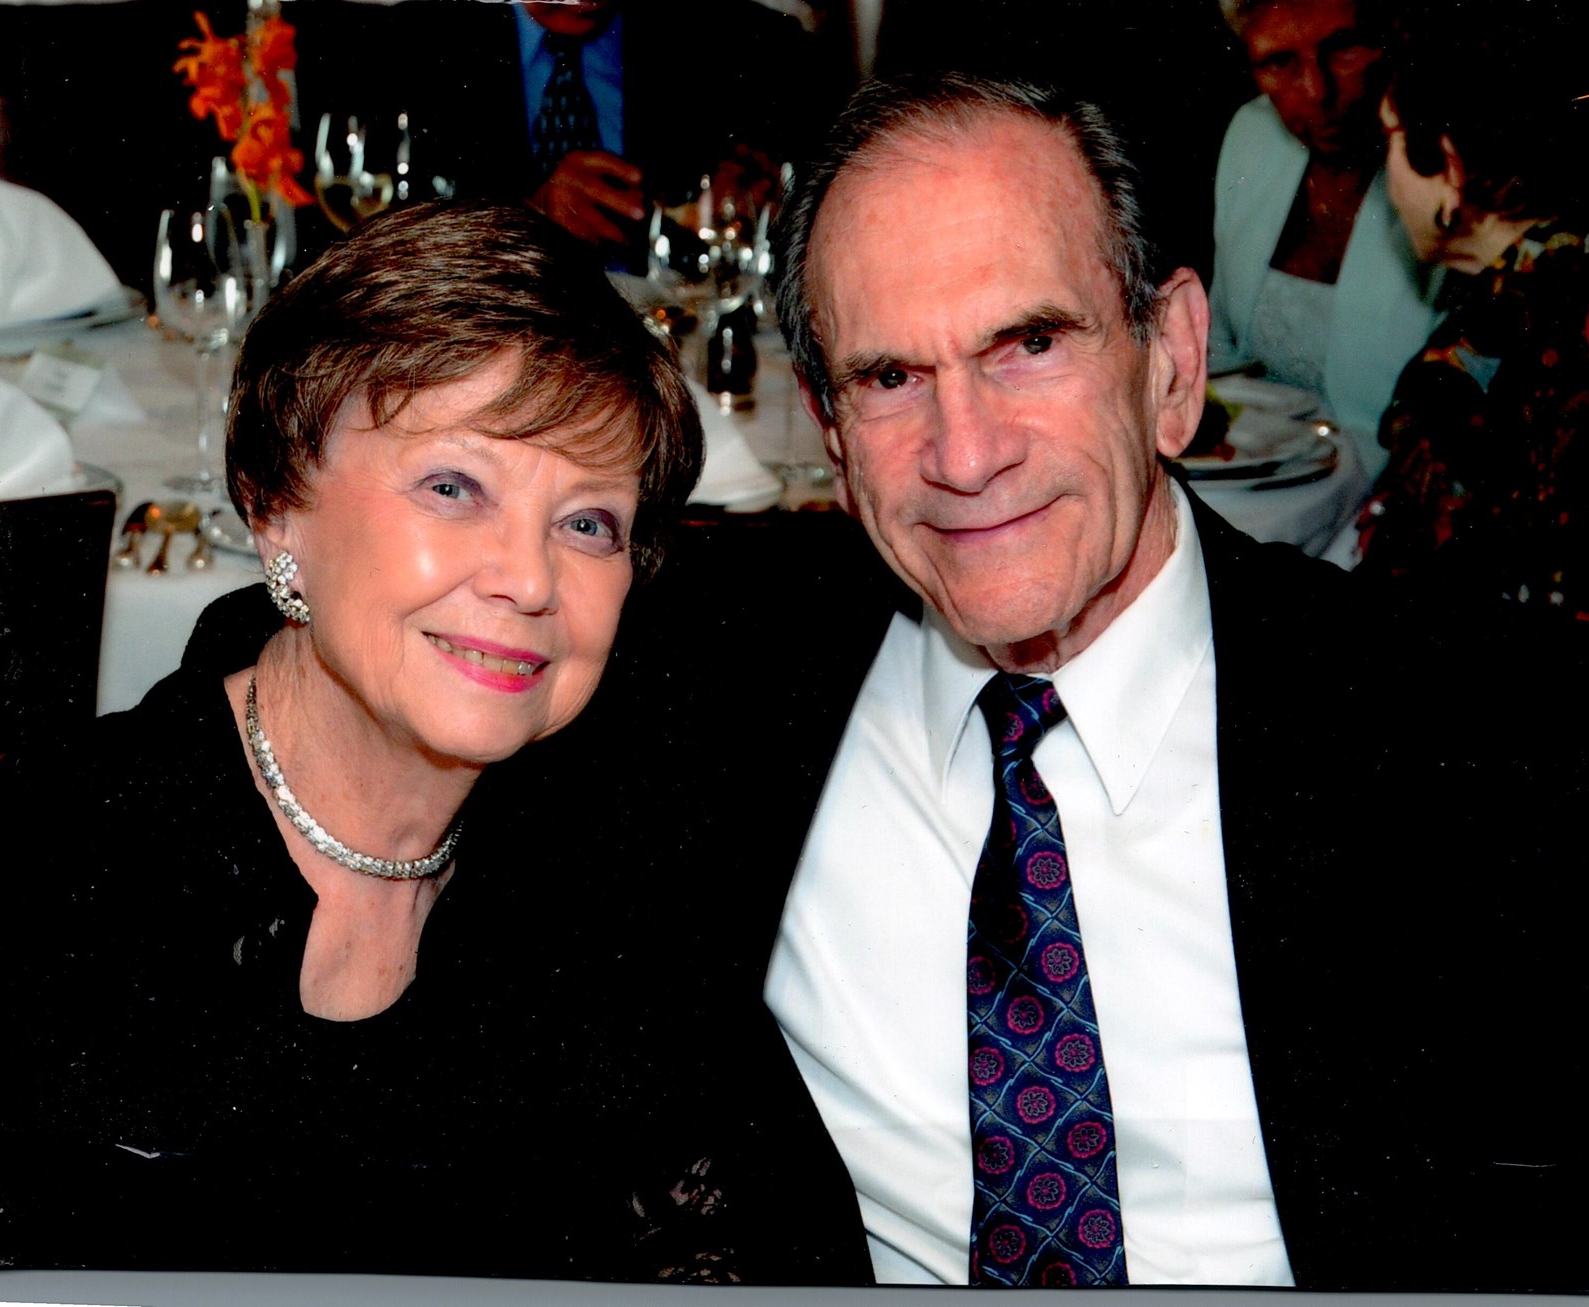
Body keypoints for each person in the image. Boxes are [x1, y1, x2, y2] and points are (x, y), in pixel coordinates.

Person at [598, 72, 1587, 1290]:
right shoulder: (709, 687)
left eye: (1031, 343)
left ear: (1172, 362)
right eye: (892, 377)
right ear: (833, 436)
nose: (966, 455)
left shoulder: (1466, 745)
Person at [0, 200, 869, 1283]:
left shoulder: (623, 888)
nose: (530, 579)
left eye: (587, 523)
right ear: (276, 505)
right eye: (454, 487)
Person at [1354, 2, 1589, 618]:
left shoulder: (1465, 371)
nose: (1388, 177)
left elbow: (1407, 611)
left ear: (1451, 171)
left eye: (1390, 138)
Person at [295, 0, 832, 264]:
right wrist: (524, 219)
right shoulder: (403, 45)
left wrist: (765, 194)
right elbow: (350, 248)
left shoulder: (744, 40)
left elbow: (811, 201)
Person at [1207, 0, 1441, 482]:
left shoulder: (1439, 175)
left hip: (1389, 489)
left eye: (1343, 48)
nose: (1316, 91)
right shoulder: (1253, 136)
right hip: (1242, 470)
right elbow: (1219, 339)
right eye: (1280, 62)